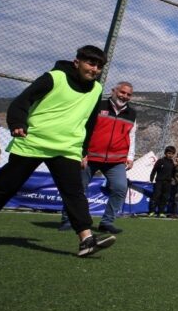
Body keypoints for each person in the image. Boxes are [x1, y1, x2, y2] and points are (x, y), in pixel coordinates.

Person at [0, 46, 114, 257]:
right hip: (33, 142)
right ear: (77, 62)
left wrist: (83, 151)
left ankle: (86, 238)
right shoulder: (54, 78)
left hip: (66, 148)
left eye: (99, 66)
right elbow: (22, 101)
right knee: (4, 188)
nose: (94, 69)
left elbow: (90, 123)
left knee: (73, 191)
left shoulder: (96, 91)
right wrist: (17, 123)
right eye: (90, 63)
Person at [59, 80, 137, 234]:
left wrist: (130, 156)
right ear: (114, 91)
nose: (125, 96)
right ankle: (68, 220)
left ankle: (107, 222)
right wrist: (81, 152)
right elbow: (82, 128)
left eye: (128, 94)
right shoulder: (98, 106)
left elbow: (132, 135)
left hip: (116, 160)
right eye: (122, 92)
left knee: (120, 188)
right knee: (77, 188)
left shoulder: (132, 113)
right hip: (90, 157)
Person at [148, 146, 176, 216]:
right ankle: (152, 211)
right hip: (159, 181)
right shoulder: (160, 161)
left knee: (165, 197)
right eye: (169, 153)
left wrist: (173, 179)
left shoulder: (172, 163)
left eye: (172, 154)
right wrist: (151, 178)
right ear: (165, 153)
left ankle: (161, 212)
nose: (170, 155)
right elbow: (154, 170)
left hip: (168, 183)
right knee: (156, 196)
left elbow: (173, 172)